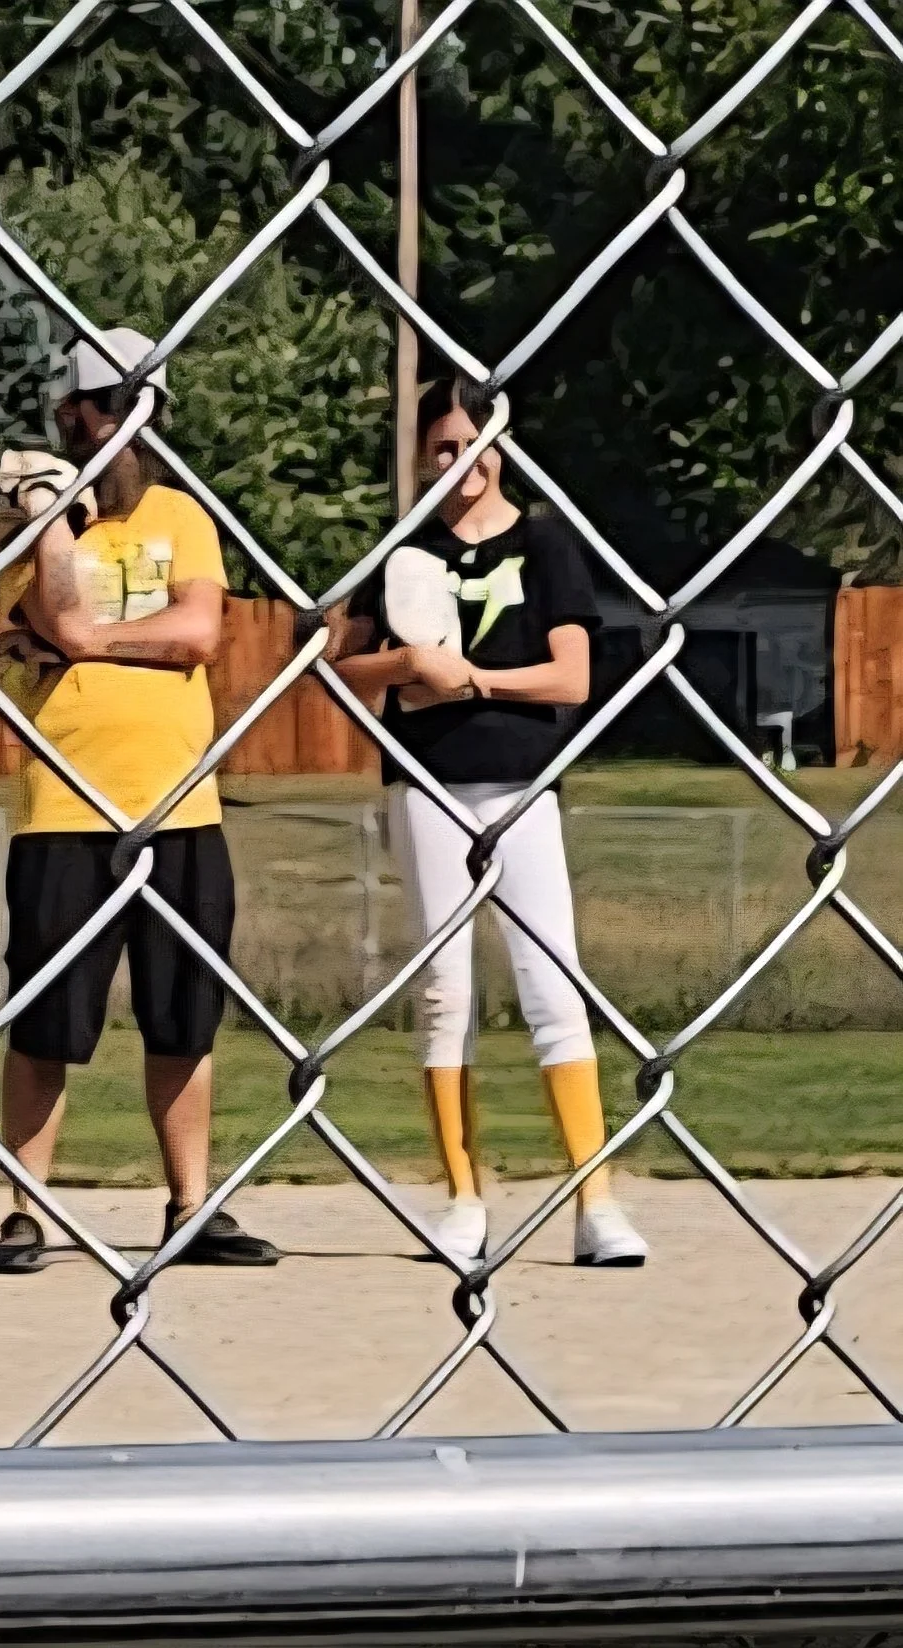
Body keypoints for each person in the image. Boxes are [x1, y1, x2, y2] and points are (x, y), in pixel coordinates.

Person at [0, 326, 281, 1271]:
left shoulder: (184, 517)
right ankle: (25, 1212)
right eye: (109, 406)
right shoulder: (32, 529)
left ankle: (190, 1204)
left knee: (182, 1017)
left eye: (141, 410)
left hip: (180, 808)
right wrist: (48, 514)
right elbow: (58, 608)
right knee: (47, 1022)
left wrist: (87, 644)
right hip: (65, 812)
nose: (126, 428)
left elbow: (198, 633)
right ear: (75, 415)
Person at [334, 375, 648, 1267]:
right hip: (427, 784)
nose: (457, 461)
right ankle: (464, 1198)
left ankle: (595, 1204)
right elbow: (337, 668)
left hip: (522, 784)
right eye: (440, 446)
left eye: (471, 442)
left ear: (499, 447)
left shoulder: (545, 544)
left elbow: (573, 679)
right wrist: (406, 662)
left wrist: (469, 680)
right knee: (447, 992)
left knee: (553, 985)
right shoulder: (404, 550)